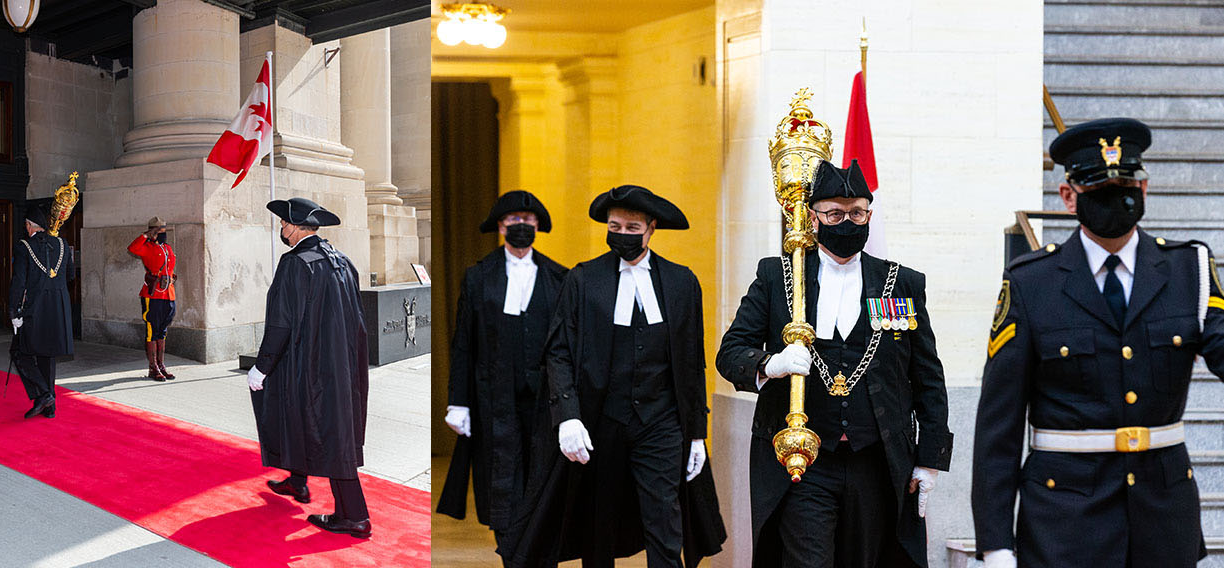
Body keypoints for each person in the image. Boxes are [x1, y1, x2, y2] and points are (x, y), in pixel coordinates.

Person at [973, 118, 1224, 568]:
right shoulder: (1033, 283)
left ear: (1144, 190)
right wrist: (996, 545)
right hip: (1065, 524)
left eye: (1127, 184)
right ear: (1069, 196)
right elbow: (999, 425)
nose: (1117, 196)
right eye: (1099, 189)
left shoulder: (1190, 270)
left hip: (1164, 522)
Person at [716, 161, 950, 567]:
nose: (846, 223)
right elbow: (731, 352)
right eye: (835, 215)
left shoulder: (901, 283)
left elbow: (927, 377)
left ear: (869, 215)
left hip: (875, 461)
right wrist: (771, 364)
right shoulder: (780, 277)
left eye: (857, 213)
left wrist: (930, 460)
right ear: (813, 217)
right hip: (804, 464)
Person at [505, 185, 725, 567]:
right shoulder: (584, 279)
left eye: (632, 227)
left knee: (665, 522)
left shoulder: (681, 282)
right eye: (614, 226)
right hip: (600, 420)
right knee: (598, 523)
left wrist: (695, 434)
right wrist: (568, 416)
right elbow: (558, 352)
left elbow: (692, 362)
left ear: (651, 228)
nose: (622, 234)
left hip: (661, 422)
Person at [435, 190, 567, 558]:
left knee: (540, 483)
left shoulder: (560, 278)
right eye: (513, 221)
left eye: (527, 222)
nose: (520, 227)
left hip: (545, 404)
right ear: (500, 226)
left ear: (538, 225)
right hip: (493, 401)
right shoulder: (479, 277)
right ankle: (510, 554)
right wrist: (457, 402)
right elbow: (464, 344)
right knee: (501, 484)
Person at [247, 197, 372, 539]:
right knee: (314, 421)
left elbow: (281, 324)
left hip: (307, 364)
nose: (282, 230)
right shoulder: (342, 261)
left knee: (332, 435)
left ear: (298, 227)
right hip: (341, 364)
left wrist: (261, 367)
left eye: (284, 224)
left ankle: (355, 516)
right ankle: (298, 482)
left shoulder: (295, 263)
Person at [8, 205, 74, 419]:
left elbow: (18, 282)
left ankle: (44, 394)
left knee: (19, 351)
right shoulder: (62, 244)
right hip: (58, 308)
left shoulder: (24, 246)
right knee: (47, 355)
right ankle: (49, 407)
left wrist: (13, 311)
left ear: (29, 225)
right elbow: (70, 275)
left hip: (35, 307)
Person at [127, 216, 177, 381]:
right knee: (152, 331)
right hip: (152, 294)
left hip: (168, 293)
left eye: (163, 230)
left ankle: (161, 365)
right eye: (160, 230)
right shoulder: (146, 247)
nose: (163, 233)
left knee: (162, 330)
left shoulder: (167, 248)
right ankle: (152, 367)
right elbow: (132, 248)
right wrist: (145, 235)